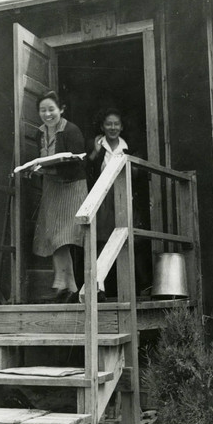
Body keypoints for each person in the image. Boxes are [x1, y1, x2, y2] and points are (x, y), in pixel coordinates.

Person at [32, 90, 87, 303]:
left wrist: (48, 170)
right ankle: (66, 285)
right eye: (43, 110)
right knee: (54, 238)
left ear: (61, 110)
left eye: (51, 109)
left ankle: (65, 285)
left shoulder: (71, 130)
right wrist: (37, 169)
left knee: (65, 236)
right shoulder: (40, 133)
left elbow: (79, 163)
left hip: (72, 186)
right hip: (51, 188)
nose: (47, 114)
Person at [87, 108, 130, 300]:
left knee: (123, 241)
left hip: (122, 197)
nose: (112, 127)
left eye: (116, 124)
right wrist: (95, 153)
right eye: (108, 124)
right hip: (102, 199)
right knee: (101, 241)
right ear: (102, 126)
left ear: (121, 127)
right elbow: (87, 170)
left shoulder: (127, 147)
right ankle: (100, 288)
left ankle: (123, 289)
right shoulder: (97, 145)